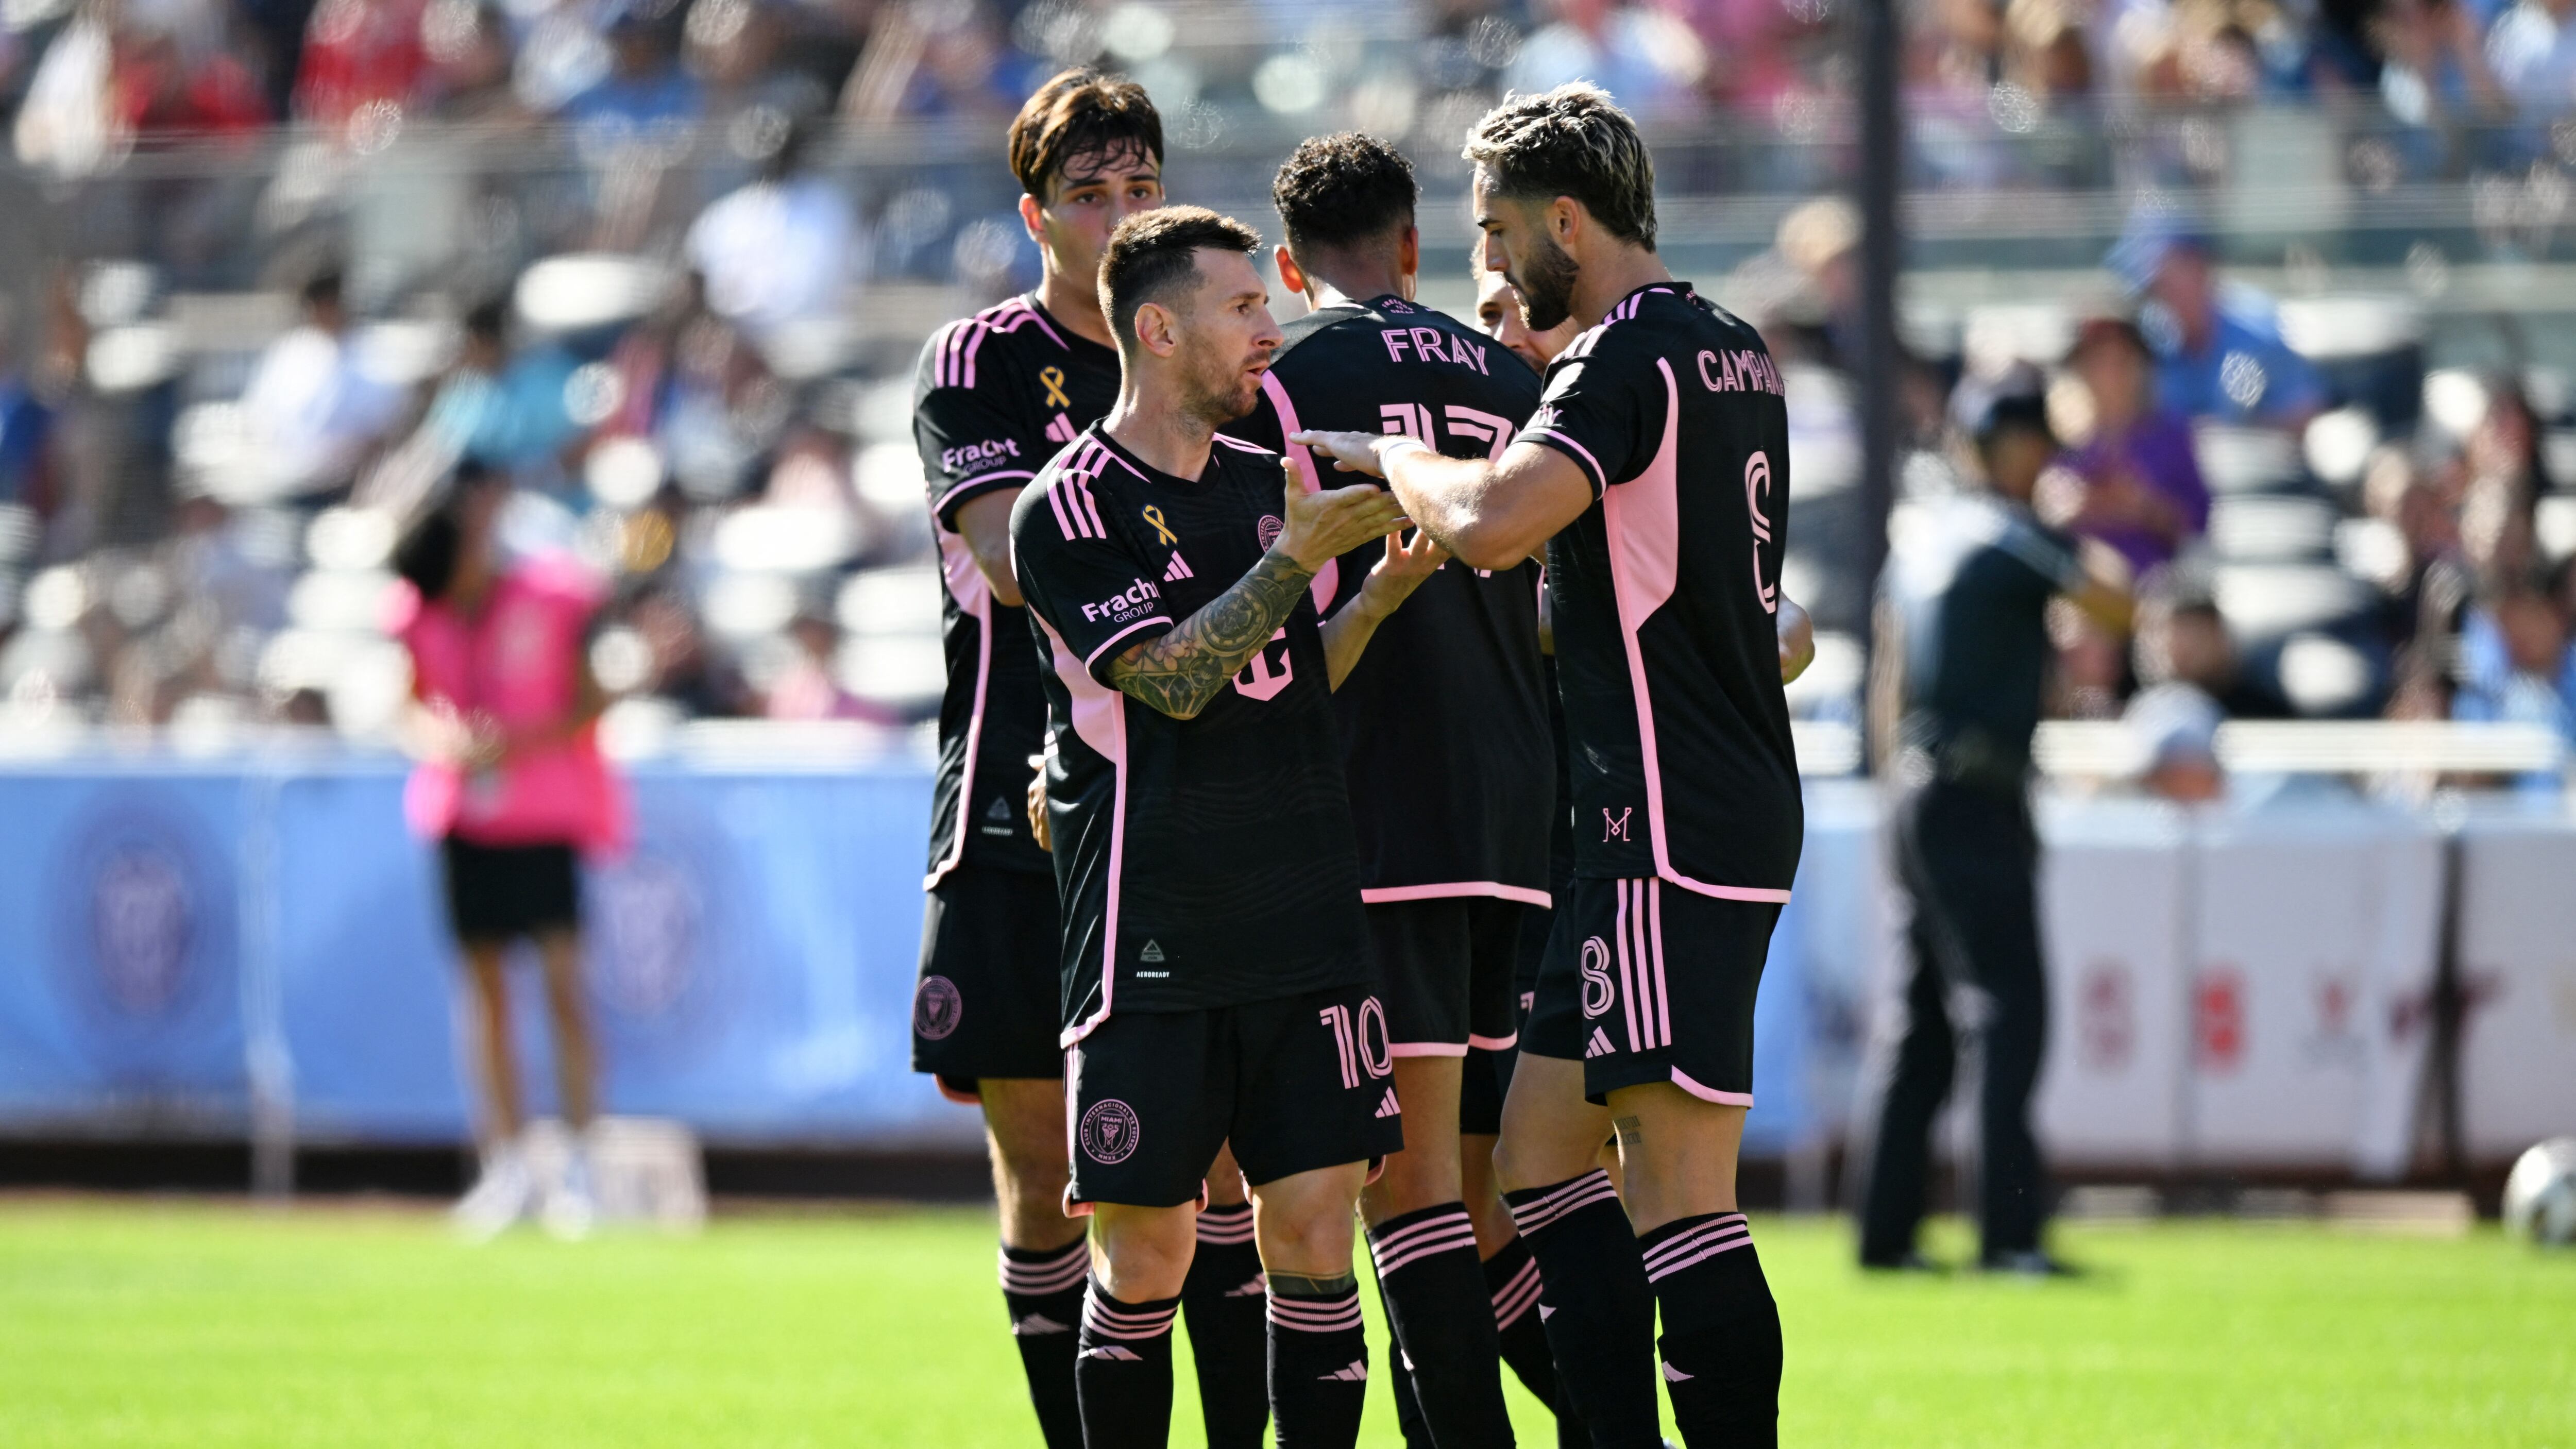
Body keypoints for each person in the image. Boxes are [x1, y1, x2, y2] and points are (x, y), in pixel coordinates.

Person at [1297, 83, 1811, 1446]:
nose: (1488, 266)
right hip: (1674, 806)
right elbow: (1756, 611)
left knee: (1685, 1184)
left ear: (1565, 221)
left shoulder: (1624, 360)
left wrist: (1395, 451)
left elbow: (1488, 522)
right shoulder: (1736, 349)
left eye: (1496, 231)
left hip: (1664, 814)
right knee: (1535, 1153)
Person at [1010, 206, 1440, 1448]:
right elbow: (1175, 681)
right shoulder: (1072, 506)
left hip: (1304, 917)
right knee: (1142, 1254)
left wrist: (1374, 594)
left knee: (1311, 1235)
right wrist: (1293, 558)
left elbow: (1289, 673)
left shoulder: (1272, 481)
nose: (1270, 330)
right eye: (1242, 307)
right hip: (1153, 933)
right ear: (1158, 327)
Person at [906, 71, 1266, 1449]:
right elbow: (1009, 555)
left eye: (1138, 187)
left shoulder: (1227, 354)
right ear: (1035, 214)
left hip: (1195, 800)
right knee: (1049, 1174)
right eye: (1088, 194)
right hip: (1015, 797)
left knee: (1223, 1169)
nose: (1118, 213)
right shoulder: (978, 362)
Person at [1221, 131, 1551, 1449]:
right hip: (1515, 817)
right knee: (1481, 1201)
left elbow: (1282, 617)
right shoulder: (1514, 375)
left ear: (1290, 267)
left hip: (1381, 816)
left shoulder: (1289, 388)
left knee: (1401, 1196)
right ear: (1415, 245)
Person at [1858, 385, 2131, 1275]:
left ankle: (1886, 1234)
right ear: (2012, 447)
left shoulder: (1921, 534)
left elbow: (1888, 681)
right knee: (2011, 1011)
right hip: (1976, 796)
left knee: (1923, 1022)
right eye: (2037, 444)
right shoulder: (2011, 531)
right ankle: (2008, 1235)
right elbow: (2117, 603)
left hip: (1911, 791)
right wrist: (2080, 519)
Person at [391, 462, 626, 1241]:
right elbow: (408, 703)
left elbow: (592, 697)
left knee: (563, 986)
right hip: (464, 817)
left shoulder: (553, 593)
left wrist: (514, 743)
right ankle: (508, 1163)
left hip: (546, 812)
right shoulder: (420, 606)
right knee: (484, 990)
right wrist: (447, 741)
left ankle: (583, 1164)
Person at [2107, 218, 2326, 430]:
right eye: (2154, 288)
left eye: (2170, 278)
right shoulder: (2153, 342)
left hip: (2261, 464)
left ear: (2201, 267)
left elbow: (2305, 416)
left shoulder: (2259, 332)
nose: (2163, 294)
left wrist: (2232, 432)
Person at [2059, 312, 2210, 577]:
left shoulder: (2172, 438)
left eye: (2121, 361)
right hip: (2077, 592)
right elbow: (2040, 525)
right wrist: (2073, 509)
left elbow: (2199, 533)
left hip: (2158, 592)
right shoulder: (2062, 446)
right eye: (2098, 363)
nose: (2110, 375)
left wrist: (2144, 508)